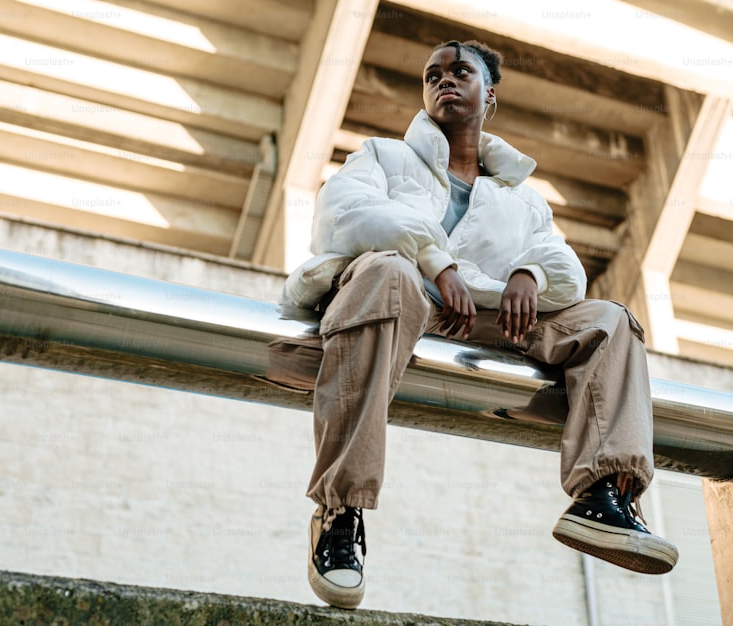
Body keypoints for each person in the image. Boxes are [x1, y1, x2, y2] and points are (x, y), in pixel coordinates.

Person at [279, 39, 678, 610]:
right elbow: (344, 216)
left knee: (611, 321)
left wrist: (529, 273)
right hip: (396, 297)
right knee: (389, 270)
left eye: (460, 72)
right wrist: (437, 265)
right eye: (433, 73)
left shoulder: (522, 197)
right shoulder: (383, 157)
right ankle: (340, 510)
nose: (444, 79)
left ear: (488, 94)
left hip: (490, 320)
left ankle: (603, 496)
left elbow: (566, 268)